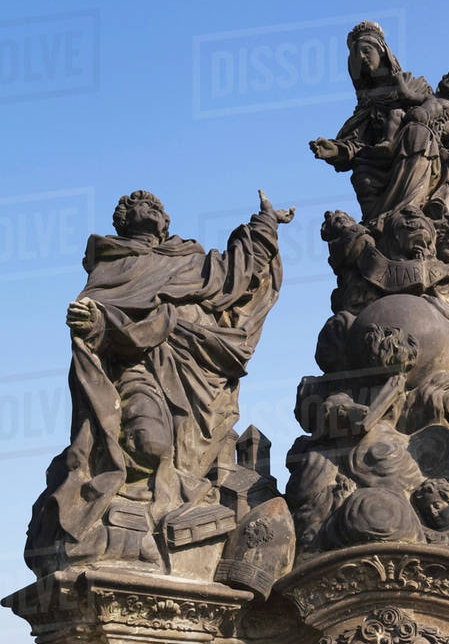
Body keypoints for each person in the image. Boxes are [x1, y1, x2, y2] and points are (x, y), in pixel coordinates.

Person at [26, 189, 293, 575]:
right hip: (139, 369)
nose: (148, 208)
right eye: (136, 205)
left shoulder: (189, 259)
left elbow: (235, 273)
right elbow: (101, 322)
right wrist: (95, 324)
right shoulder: (113, 263)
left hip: (199, 370)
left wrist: (264, 222)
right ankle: (128, 512)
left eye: (155, 206)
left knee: (191, 454)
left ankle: (166, 516)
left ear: (166, 221)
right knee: (150, 443)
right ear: (122, 220)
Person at [309, 23, 449, 226]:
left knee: (418, 133)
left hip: (418, 151)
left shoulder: (415, 84)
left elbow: (444, 122)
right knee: (362, 168)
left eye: (366, 51)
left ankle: (409, 210)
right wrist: (336, 150)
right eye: (356, 55)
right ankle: (379, 225)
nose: (361, 58)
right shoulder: (367, 103)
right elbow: (357, 141)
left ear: (382, 51)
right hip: (379, 159)